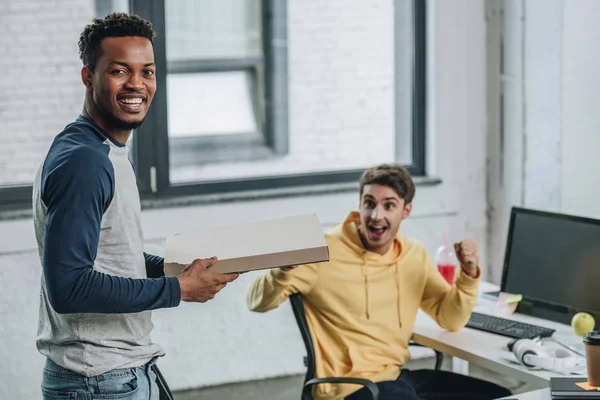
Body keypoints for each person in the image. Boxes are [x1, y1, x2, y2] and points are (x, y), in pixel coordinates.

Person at [34, 13, 238, 400]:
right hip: (99, 380)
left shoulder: (103, 150)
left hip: (118, 373)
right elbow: (69, 287)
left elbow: (108, 253)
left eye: (147, 71)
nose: (136, 84)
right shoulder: (85, 161)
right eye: (119, 71)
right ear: (87, 77)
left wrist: (172, 269)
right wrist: (177, 289)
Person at [247, 164, 512, 400]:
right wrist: (283, 270)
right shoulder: (323, 250)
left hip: (395, 378)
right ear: (359, 204)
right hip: (348, 388)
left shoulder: (413, 254)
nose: (376, 215)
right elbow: (257, 302)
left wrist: (468, 274)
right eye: (369, 203)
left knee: (503, 396)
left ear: (406, 210)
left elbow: (450, 319)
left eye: (389, 205)